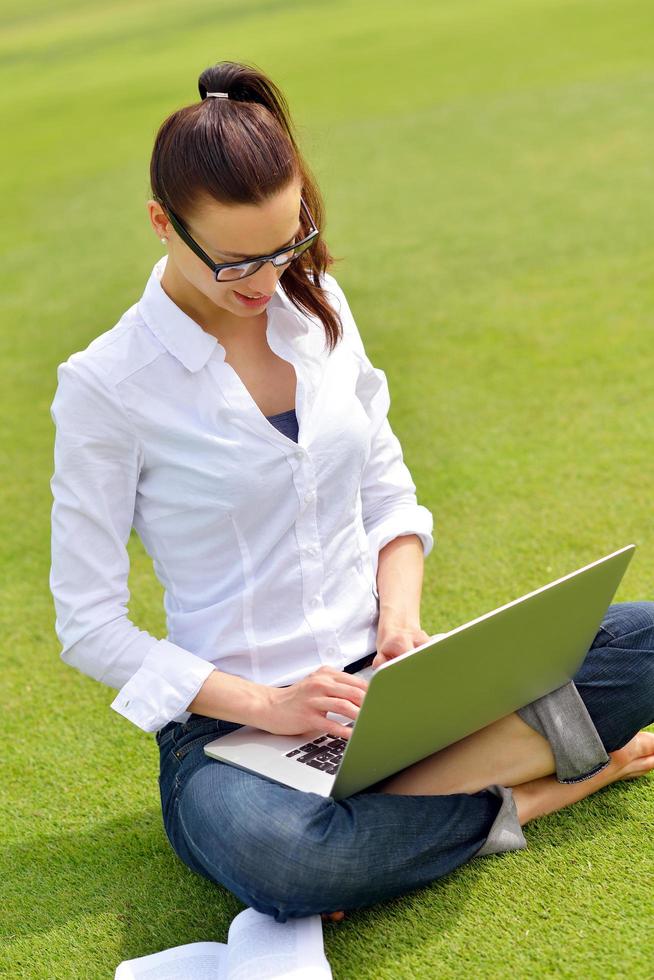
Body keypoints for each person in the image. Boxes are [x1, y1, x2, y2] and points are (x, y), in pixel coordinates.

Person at [49, 60, 654, 926]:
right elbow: (90, 624)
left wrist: (402, 625)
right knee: (284, 858)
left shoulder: (318, 303)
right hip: (232, 735)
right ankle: (528, 791)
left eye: (287, 243)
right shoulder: (108, 384)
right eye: (236, 263)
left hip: (390, 690)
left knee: (645, 642)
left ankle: (397, 808)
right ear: (161, 223)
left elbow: (387, 488)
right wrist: (271, 705)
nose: (266, 282)